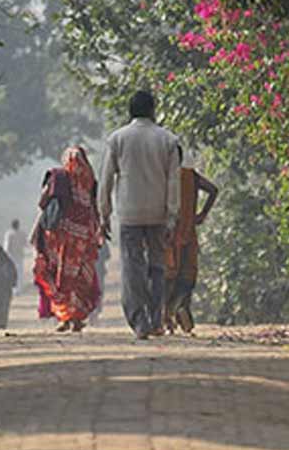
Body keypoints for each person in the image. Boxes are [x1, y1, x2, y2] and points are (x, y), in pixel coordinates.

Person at [98, 90, 180, 339]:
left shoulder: (117, 139)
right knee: (157, 266)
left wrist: (104, 214)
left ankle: (139, 322)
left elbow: (105, 181)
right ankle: (156, 319)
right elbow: (173, 181)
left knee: (132, 267)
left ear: (130, 111)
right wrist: (172, 216)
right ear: (153, 110)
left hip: (129, 213)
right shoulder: (168, 140)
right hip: (158, 213)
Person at [34, 145, 103, 332]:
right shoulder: (91, 181)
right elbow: (95, 210)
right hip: (83, 240)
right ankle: (77, 318)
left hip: (61, 239)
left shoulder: (58, 177)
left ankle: (65, 318)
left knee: (61, 277)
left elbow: (43, 203)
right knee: (81, 278)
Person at [164, 146, 219, 334]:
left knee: (169, 276)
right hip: (189, 233)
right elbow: (213, 190)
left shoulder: (164, 179)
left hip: (170, 235)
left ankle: (168, 316)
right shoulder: (191, 176)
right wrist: (202, 214)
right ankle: (181, 309)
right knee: (188, 276)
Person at [3, 219, 27, 294]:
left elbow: (7, 246)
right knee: (19, 273)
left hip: (11, 256)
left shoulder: (9, 234)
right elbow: (26, 244)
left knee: (11, 273)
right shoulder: (22, 233)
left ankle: (13, 289)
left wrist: (5, 255)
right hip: (19, 255)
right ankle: (18, 289)